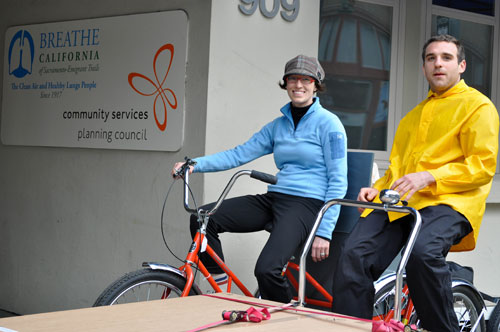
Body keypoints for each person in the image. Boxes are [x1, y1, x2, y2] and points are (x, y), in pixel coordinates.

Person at [331, 34, 499, 332]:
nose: (438, 63)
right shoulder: (412, 116)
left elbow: (482, 166)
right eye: (431, 58)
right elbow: (398, 169)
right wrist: (378, 189)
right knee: (352, 254)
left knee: (422, 254)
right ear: (424, 67)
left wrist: (431, 176)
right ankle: (350, 328)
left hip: (450, 202)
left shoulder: (478, 107)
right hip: (403, 202)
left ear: (461, 66)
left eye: (446, 58)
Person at [172, 55, 348, 303]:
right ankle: (221, 289)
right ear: (285, 83)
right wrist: (194, 165)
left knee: (266, 269)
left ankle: (289, 321)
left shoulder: (330, 124)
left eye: (305, 79)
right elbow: (238, 154)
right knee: (202, 219)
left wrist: (325, 231)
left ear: (316, 84)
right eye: (292, 79)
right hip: (275, 198)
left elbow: (338, 180)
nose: (298, 85)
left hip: (307, 204)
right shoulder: (278, 126)